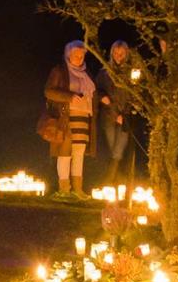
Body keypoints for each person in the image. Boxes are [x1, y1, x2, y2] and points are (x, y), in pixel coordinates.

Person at [44, 41, 97, 198]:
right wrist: (69, 96)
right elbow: (48, 91)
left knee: (79, 153)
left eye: (81, 55)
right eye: (76, 55)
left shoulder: (87, 73)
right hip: (66, 118)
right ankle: (64, 189)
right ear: (68, 55)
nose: (79, 58)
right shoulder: (60, 71)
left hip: (83, 118)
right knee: (65, 153)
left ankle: (78, 189)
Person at [94, 40, 137, 186]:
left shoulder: (132, 73)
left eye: (122, 53)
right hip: (108, 116)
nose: (119, 56)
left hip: (124, 116)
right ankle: (116, 180)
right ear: (112, 53)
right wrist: (102, 97)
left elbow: (135, 95)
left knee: (118, 149)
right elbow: (96, 89)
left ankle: (108, 181)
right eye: (116, 53)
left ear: (126, 54)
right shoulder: (104, 72)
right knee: (112, 148)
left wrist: (124, 114)